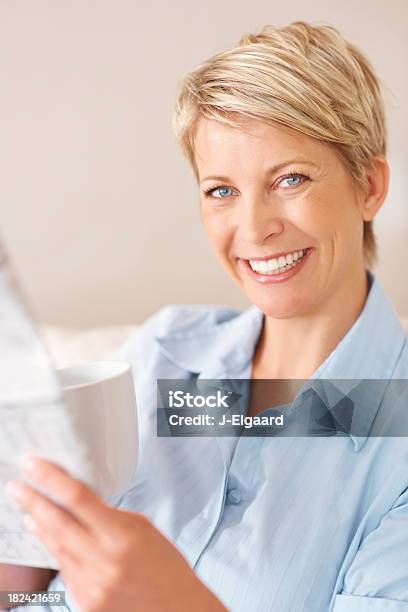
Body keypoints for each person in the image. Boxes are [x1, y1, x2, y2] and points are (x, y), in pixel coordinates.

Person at [3, 20, 408, 612]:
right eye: (221, 190)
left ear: (369, 186)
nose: (253, 229)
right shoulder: (164, 351)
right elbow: (30, 581)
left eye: (290, 179)